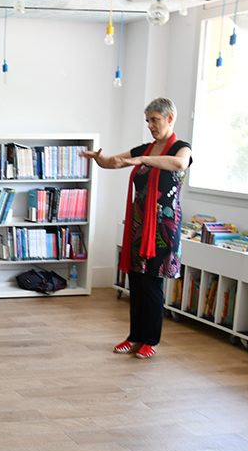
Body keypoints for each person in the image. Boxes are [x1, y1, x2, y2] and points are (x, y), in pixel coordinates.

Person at [81, 97, 192, 359]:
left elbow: (179, 164)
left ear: (170, 118)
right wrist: (100, 158)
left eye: (155, 120)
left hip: (163, 226)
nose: (150, 126)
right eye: (148, 121)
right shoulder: (146, 149)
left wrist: (144, 159)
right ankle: (134, 336)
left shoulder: (181, 148)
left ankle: (150, 340)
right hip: (139, 223)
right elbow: (114, 162)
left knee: (152, 282)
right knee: (137, 281)